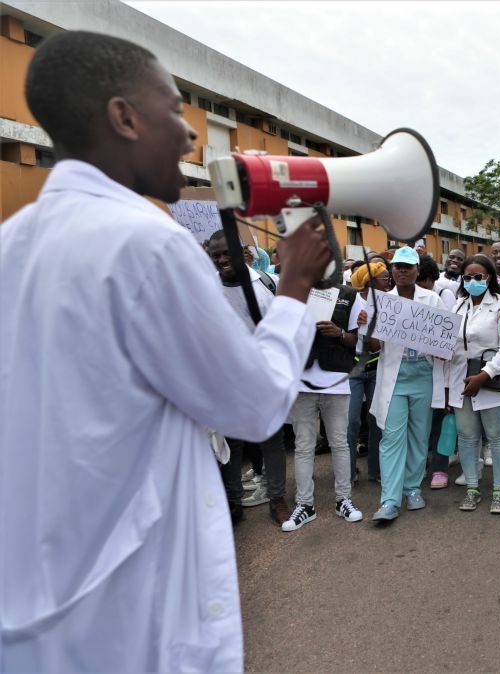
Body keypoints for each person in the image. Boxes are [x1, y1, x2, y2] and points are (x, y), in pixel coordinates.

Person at [0, 31, 330, 672]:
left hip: (35, 611)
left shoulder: (11, 243)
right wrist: (292, 287)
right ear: (124, 117)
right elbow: (257, 407)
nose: (188, 137)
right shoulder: (147, 242)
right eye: (175, 110)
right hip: (131, 615)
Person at [206, 231, 293, 527]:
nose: (220, 260)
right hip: (224, 383)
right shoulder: (206, 289)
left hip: (263, 380)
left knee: (271, 441)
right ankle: (233, 505)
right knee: (232, 445)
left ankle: (277, 499)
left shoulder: (267, 285)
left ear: (240, 251)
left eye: (225, 254)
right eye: (215, 255)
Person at [365, 247, 446, 523]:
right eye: (397, 266)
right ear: (392, 270)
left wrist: (440, 347)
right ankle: (389, 499)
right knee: (391, 437)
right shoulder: (380, 302)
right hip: (395, 376)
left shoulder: (432, 300)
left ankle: (412, 489)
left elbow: (445, 342)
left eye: (407, 266)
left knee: (419, 434)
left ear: (417, 271)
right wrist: (370, 327)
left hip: (423, 373)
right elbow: (374, 346)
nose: (401, 270)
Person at [282, 274, 367, 531]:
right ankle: (304, 505)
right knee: (304, 445)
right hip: (302, 381)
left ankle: (343, 500)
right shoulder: (292, 293)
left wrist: (338, 332)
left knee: (339, 443)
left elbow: (357, 340)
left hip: (336, 380)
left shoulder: (349, 295)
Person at [449, 255, 500, 513]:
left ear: (489, 278)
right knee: (467, 438)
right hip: (461, 381)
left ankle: (499, 491)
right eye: (467, 277)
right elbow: (450, 344)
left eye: (478, 277)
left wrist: (485, 374)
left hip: (491, 381)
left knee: (497, 437)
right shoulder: (457, 306)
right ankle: (472, 488)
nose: (473, 281)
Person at [347, 260, 391, 483]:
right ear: (370, 282)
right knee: (351, 421)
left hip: (376, 369)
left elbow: (376, 346)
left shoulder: (388, 304)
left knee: (376, 421)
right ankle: (349, 471)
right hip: (353, 369)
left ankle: (377, 471)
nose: (388, 282)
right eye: (385, 278)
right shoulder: (350, 301)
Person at [417, 254, 455, 488]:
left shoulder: (443, 295)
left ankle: (439, 467)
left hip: (441, 366)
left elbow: (447, 331)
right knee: (420, 421)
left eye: (422, 282)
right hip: (418, 367)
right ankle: (419, 464)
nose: (419, 288)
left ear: (432, 279)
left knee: (439, 419)